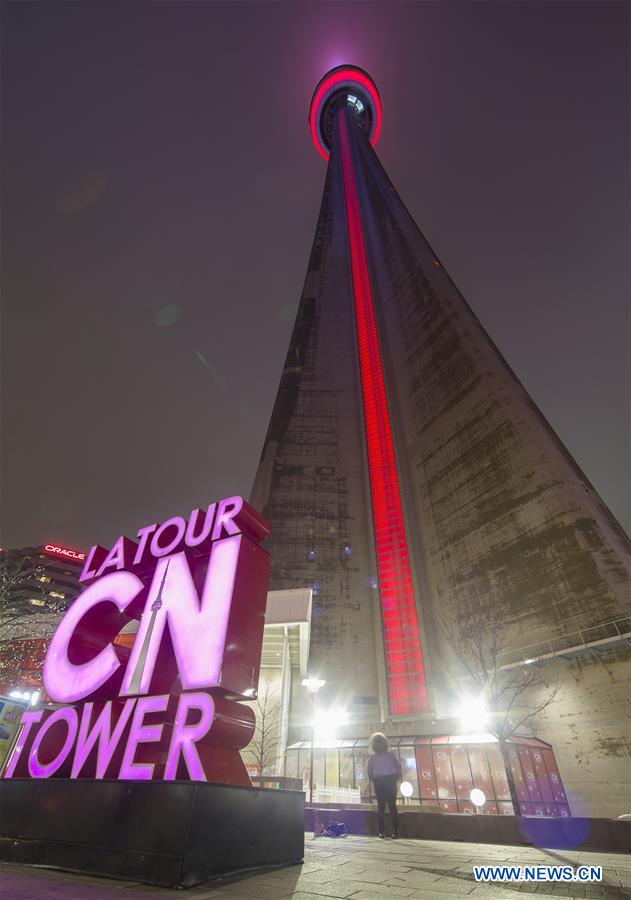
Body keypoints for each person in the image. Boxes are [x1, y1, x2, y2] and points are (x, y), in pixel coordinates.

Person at [367, 732, 401, 838]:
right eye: (377, 742)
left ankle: (395, 831)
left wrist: (395, 776)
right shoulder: (373, 757)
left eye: (380, 741)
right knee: (382, 806)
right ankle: (382, 831)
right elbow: (369, 770)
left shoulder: (390, 755)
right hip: (381, 781)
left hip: (389, 780)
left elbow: (398, 766)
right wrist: (374, 779)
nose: (379, 744)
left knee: (391, 806)